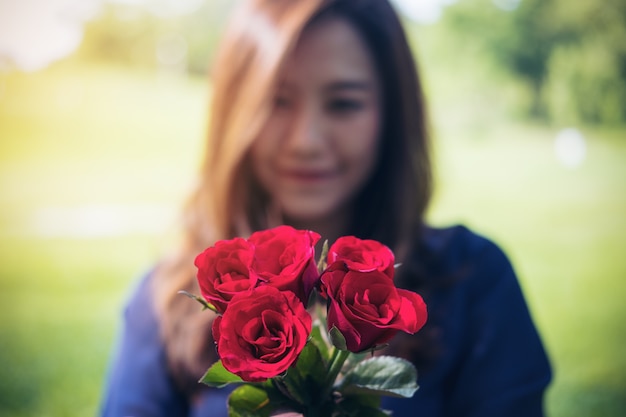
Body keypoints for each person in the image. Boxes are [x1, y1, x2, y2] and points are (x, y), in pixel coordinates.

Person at [100, 0, 552, 416]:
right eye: (276, 101)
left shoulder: (475, 278)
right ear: (233, 113)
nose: (306, 141)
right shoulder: (163, 302)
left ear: (392, 116)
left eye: (343, 103)